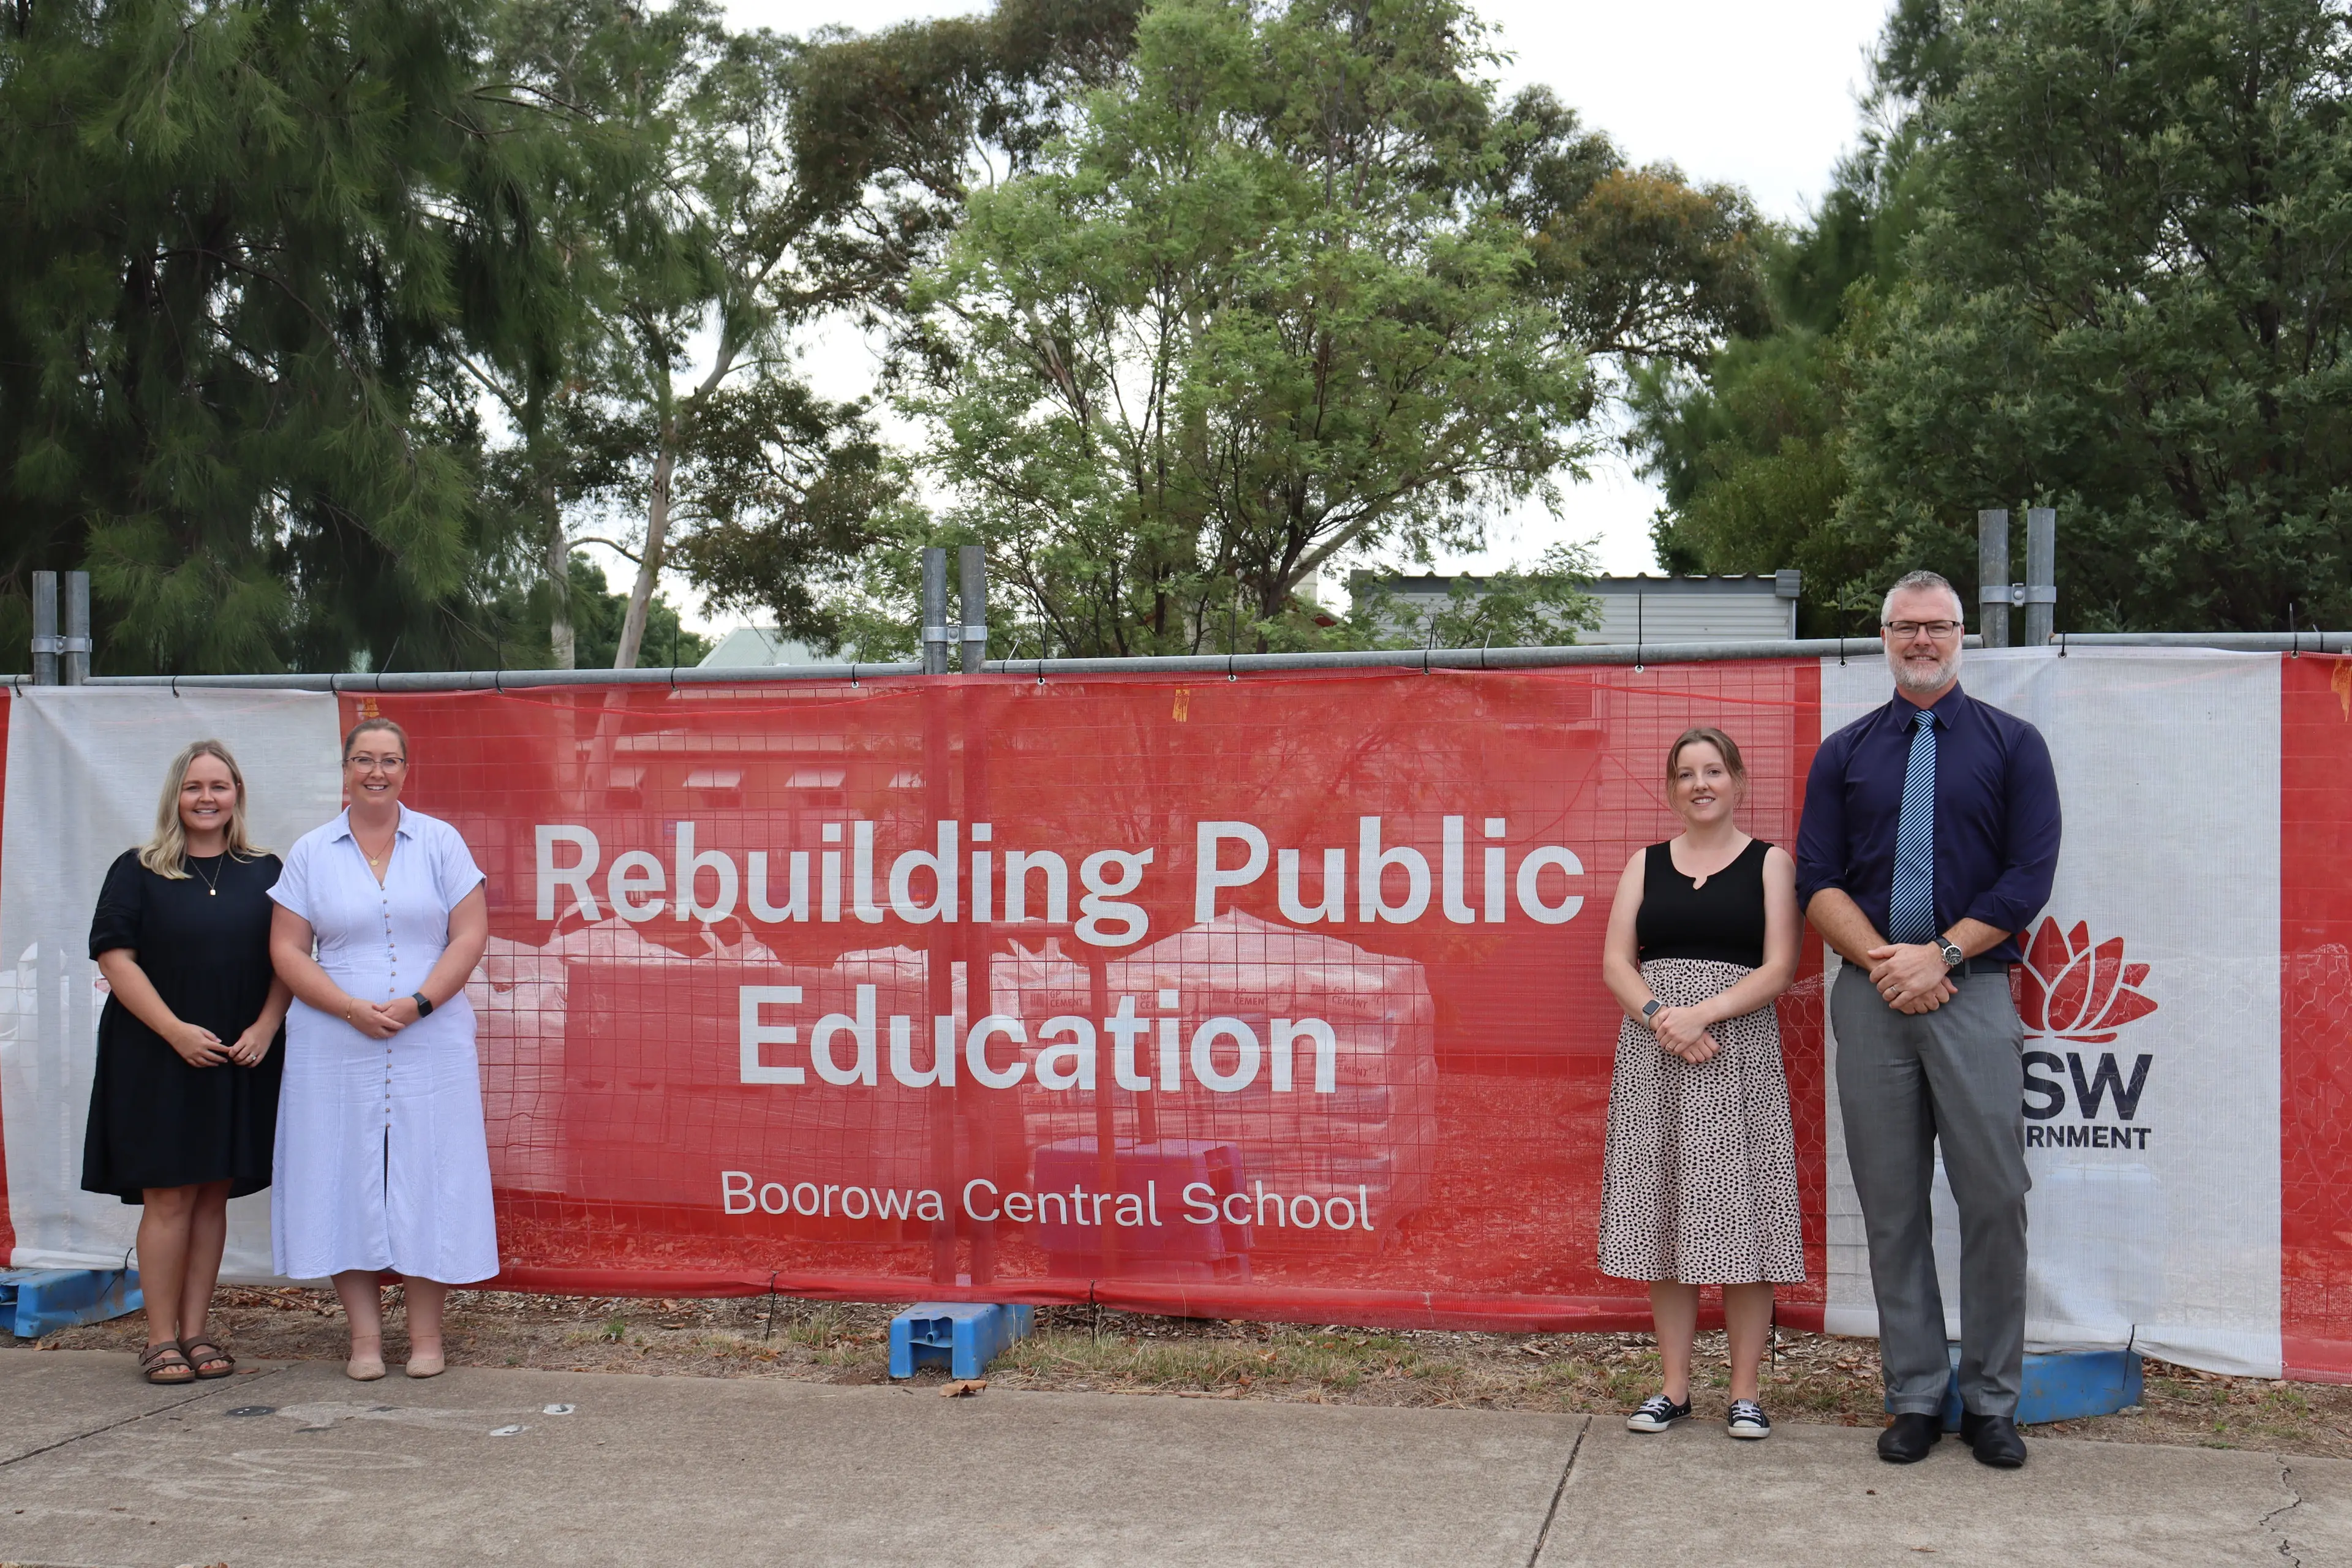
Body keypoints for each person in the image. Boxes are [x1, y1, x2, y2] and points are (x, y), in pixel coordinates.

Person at [1795, 570, 2061, 1469]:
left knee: (1995, 1200)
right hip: (1872, 999)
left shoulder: (2015, 746)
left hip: (1974, 992)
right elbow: (1816, 880)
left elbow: (2028, 878)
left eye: (1936, 627)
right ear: (1883, 637)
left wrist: (1941, 955)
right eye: (1905, 627)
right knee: (1893, 1208)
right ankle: (1914, 1395)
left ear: (1960, 638)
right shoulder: (1844, 753)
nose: (1921, 640)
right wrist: (1886, 962)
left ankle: (1990, 1403)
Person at [268, 717, 497, 1381]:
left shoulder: (442, 842)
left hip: (432, 1036)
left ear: (406, 768)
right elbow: (286, 947)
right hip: (332, 1037)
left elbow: (469, 934)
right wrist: (346, 1006)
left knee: (431, 1173)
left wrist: (420, 1001)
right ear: (346, 768)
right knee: (344, 1174)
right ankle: (364, 1339)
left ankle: (427, 1337)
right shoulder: (312, 850)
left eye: (389, 760)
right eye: (364, 759)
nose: (376, 771)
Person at [1600, 726, 1804, 1440]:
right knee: (1668, 1216)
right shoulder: (1644, 864)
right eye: (1686, 774)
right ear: (1671, 790)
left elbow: (1780, 965)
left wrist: (1702, 1014)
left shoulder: (1771, 863)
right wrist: (1662, 1016)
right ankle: (1675, 1388)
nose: (1701, 784)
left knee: (1740, 1219)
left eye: (1714, 770)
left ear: (1738, 781)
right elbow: (1617, 963)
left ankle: (1745, 1393)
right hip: (1657, 1055)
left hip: (1734, 1049)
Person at [84, 741, 292, 1384]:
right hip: (156, 1053)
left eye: (220, 786)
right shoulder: (137, 869)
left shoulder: (267, 871)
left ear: (237, 796)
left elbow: (291, 957)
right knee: (168, 1196)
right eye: (195, 786)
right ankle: (158, 1337)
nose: (207, 798)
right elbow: (115, 959)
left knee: (212, 1195)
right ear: (175, 795)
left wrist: (265, 1024)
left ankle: (197, 1331)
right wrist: (175, 1032)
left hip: (237, 1055)